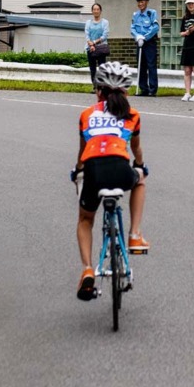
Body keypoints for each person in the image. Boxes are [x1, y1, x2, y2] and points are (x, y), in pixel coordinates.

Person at [73, 61, 149, 301]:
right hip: (119, 167)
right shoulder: (132, 114)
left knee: (85, 219)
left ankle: (87, 269)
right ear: (125, 92)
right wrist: (139, 167)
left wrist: (77, 171)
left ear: (98, 90)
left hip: (94, 170)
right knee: (139, 180)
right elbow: (136, 149)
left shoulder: (86, 115)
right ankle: (135, 234)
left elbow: (82, 152)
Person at [130, 0, 160, 96]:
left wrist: (145, 37)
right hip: (139, 42)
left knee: (151, 65)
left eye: (142, 1)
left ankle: (152, 89)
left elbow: (155, 27)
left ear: (146, 2)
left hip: (149, 42)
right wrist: (137, 37)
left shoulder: (151, 13)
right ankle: (143, 88)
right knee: (141, 65)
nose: (140, 4)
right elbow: (132, 28)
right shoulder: (135, 15)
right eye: (138, 2)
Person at [84, 3, 111, 91]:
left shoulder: (105, 22)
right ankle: (95, 86)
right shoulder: (88, 22)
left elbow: (105, 35)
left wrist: (94, 43)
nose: (96, 11)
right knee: (92, 68)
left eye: (97, 9)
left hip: (101, 48)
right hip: (90, 48)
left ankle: (102, 86)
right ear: (92, 11)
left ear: (100, 11)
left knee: (102, 68)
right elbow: (87, 34)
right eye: (94, 9)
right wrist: (90, 44)